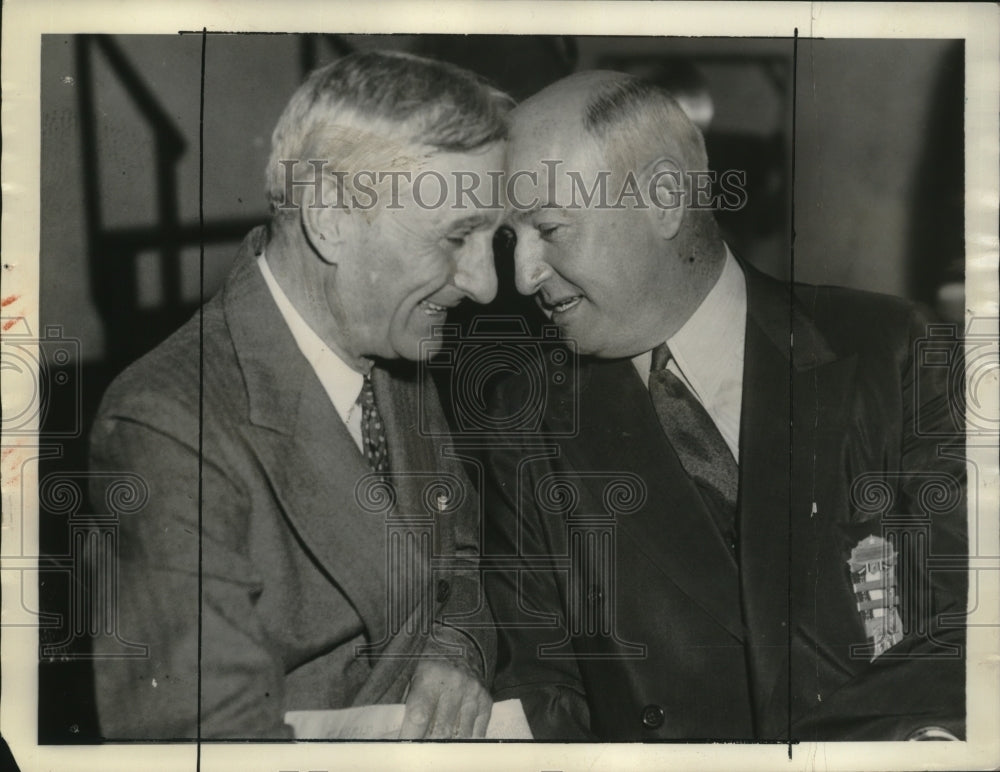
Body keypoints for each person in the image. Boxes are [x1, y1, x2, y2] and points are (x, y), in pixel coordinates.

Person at [484, 71, 967, 741]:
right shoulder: (527, 421)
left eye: (549, 229)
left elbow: (967, 627)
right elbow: (545, 688)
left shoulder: (897, 351)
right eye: (510, 238)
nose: (522, 275)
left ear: (662, 198)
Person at [88, 51, 511, 739]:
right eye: (458, 236)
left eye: (494, 238)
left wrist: (452, 651)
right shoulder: (163, 427)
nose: (486, 284)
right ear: (330, 217)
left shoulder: (391, 341)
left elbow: (456, 557)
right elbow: (201, 742)